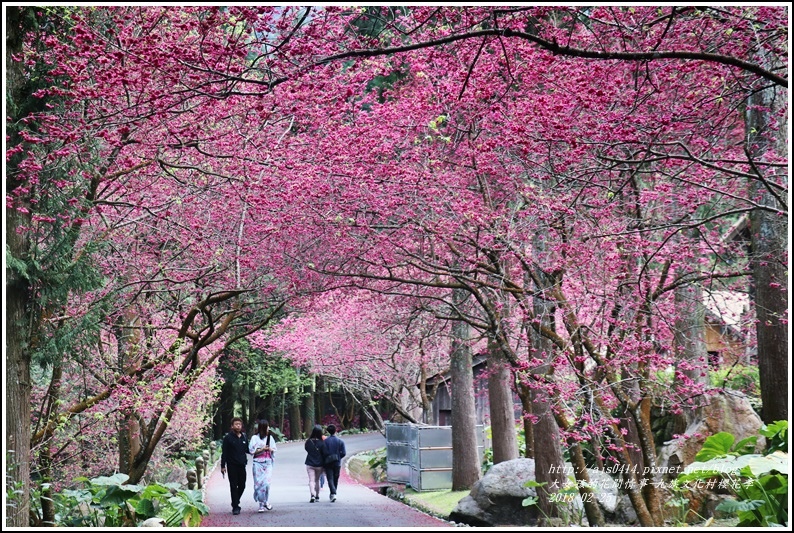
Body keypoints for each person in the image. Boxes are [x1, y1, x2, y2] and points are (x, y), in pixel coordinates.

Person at [220, 417, 249, 515]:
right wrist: (222, 466)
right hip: (232, 465)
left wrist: (259, 450)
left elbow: (248, 450)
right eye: (236, 424)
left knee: (242, 485)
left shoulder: (244, 437)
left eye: (240, 424)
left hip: (242, 465)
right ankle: (235, 507)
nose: (238, 426)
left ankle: (235, 501)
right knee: (233, 486)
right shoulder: (228, 438)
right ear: (232, 426)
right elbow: (224, 452)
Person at [249, 419, 277, 512]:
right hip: (257, 463)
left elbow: (274, 449)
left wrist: (270, 449)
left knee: (267, 484)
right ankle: (261, 504)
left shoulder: (270, 438)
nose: (268, 429)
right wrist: (262, 449)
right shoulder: (254, 438)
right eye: (267, 427)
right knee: (258, 484)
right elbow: (251, 451)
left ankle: (266, 501)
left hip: (268, 462)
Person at [323, 424, 346, 502]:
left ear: (328, 431)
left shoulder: (325, 441)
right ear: (335, 431)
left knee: (330, 478)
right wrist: (338, 457)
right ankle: (333, 493)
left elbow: (323, 452)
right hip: (337, 463)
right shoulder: (340, 441)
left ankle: (333, 493)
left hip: (328, 463)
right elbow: (344, 453)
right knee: (335, 478)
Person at [304, 424, 326, 503]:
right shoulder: (322, 443)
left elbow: (307, 449)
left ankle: (312, 494)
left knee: (311, 480)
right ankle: (317, 496)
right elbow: (324, 453)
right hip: (319, 464)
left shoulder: (308, 442)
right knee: (317, 480)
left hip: (310, 463)